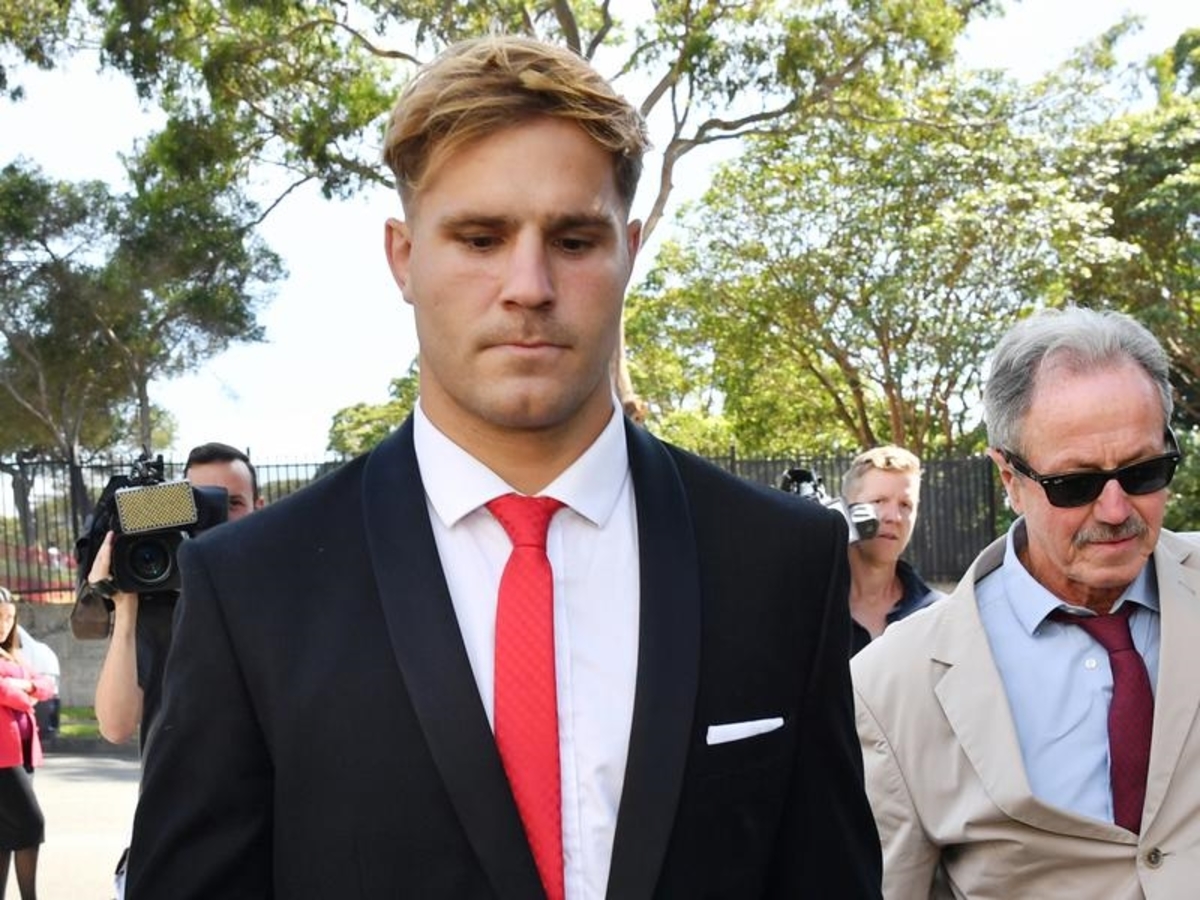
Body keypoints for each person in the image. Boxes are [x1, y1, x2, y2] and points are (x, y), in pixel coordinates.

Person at [126, 35, 882, 899]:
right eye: (481, 238)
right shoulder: (253, 585)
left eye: (574, 239)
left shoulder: (781, 559)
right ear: (404, 257)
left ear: (630, 249)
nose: (528, 285)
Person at [852, 306, 1200, 897]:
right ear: (1009, 478)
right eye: (1075, 484)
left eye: (1144, 472)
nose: (1116, 510)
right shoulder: (892, 685)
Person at [88, 441, 264, 749]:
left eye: (232, 503)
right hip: (175, 781)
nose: (217, 518)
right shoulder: (159, 602)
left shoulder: (283, 595)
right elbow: (116, 726)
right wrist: (125, 607)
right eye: (202, 504)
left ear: (258, 508)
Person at [841, 445, 942, 656]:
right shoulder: (811, 608)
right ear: (846, 509)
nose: (894, 517)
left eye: (905, 505)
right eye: (878, 501)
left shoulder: (938, 615)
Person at [0, 588, 56, 900]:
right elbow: (6, 693)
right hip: (2, 759)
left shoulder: (12, 655)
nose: (5, 624)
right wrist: (25, 693)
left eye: (10, 618)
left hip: (21, 755)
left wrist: (24, 685)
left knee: (6, 834)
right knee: (31, 825)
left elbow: (46, 685)